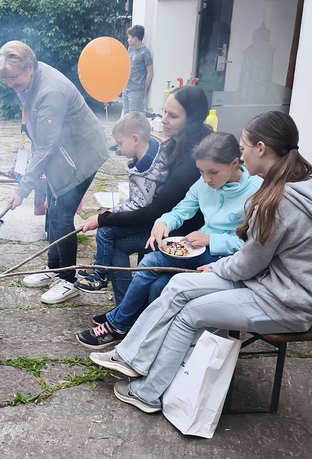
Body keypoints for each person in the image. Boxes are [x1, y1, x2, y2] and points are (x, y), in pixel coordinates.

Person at [93, 111, 312, 413]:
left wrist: (215, 266)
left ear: (261, 148)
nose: (240, 155)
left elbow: (247, 263)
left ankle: (148, 394)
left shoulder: (277, 201)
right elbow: (252, 259)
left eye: (243, 148)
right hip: (268, 284)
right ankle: (130, 357)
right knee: (178, 285)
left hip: (285, 303)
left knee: (190, 312)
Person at [76, 131, 261, 348]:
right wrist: (163, 223)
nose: (206, 179)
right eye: (201, 171)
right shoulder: (203, 184)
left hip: (226, 261)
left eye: (213, 172)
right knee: (156, 280)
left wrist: (211, 239)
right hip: (199, 251)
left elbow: (254, 245)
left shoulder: (256, 191)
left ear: (234, 163)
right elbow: (180, 211)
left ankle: (121, 325)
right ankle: (140, 334)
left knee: (152, 269)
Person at [0, 40, 109, 304]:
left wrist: (22, 189)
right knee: (54, 211)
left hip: (81, 155)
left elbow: (45, 148)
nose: (10, 83)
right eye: (5, 79)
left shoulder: (50, 92)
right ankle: (54, 268)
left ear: (29, 67)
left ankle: (67, 280)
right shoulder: (29, 79)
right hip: (63, 153)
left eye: (13, 78)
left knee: (61, 215)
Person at [80, 85, 213, 307]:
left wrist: (103, 218)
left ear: (192, 119)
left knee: (112, 237)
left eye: (172, 116)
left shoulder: (193, 158)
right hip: (165, 221)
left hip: (183, 231)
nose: (163, 120)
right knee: (111, 231)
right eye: (164, 112)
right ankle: (126, 309)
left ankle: (125, 311)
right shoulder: (176, 142)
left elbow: (154, 210)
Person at [74, 112, 164, 295]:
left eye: (120, 143)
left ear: (135, 139)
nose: (119, 148)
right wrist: (114, 211)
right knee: (108, 228)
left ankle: (101, 274)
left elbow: (140, 205)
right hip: (151, 218)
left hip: (154, 224)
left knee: (105, 232)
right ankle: (102, 268)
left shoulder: (146, 169)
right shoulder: (150, 154)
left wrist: (111, 213)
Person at [121, 24, 154, 116]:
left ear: (135, 39)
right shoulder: (130, 49)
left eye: (129, 37)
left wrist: (144, 89)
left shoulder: (145, 53)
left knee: (134, 116)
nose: (127, 40)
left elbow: (150, 72)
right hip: (126, 87)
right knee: (125, 114)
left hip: (136, 90)